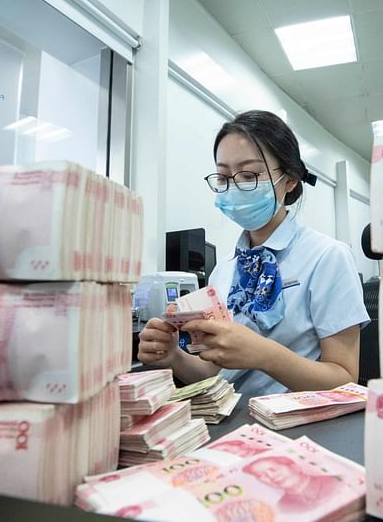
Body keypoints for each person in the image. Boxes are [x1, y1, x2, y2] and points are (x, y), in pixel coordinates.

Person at [138, 110, 369, 396]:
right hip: (232, 425)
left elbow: (344, 380)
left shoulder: (328, 256)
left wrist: (263, 354)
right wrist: (172, 356)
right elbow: (213, 374)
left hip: (296, 430)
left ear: (290, 179)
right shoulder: (225, 269)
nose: (234, 186)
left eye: (249, 174)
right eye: (223, 177)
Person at [242, 455, 343, 511]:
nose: (271, 476)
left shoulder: (337, 482)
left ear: (295, 467)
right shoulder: (282, 506)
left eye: (273, 469)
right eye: (261, 475)